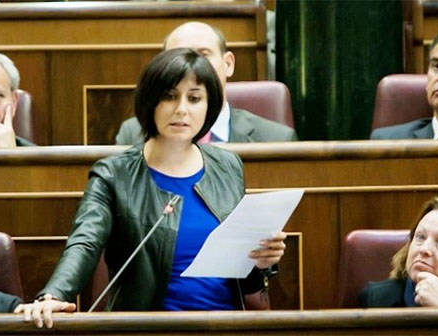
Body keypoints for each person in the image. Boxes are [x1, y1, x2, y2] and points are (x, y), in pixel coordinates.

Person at [16, 48, 287, 328]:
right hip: (148, 328)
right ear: (150, 101)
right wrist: (54, 294)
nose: (181, 108)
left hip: (224, 325)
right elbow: (85, 242)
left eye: (194, 98)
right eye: (170, 96)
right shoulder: (114, 174)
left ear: (210, 106)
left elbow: (242, 273)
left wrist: (261, 261)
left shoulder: (228, 166)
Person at [115, 21, 298, 144]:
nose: (192, 68)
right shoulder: (133, 134)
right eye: (180, 56)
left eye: (203, 55)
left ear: (228, 64)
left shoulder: (276, 138)